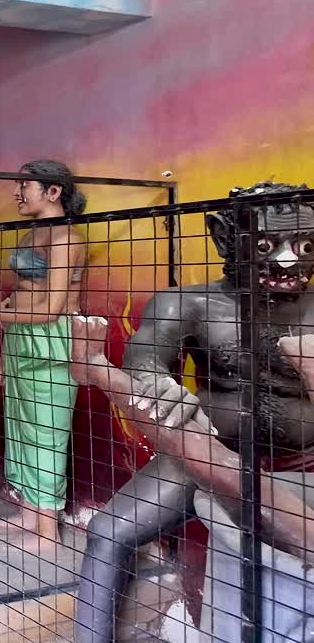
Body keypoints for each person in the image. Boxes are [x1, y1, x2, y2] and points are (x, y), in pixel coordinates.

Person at [72, 181, 314, 643]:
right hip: (202, 454)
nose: (288, 261)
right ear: (224, 237)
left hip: (304, 460)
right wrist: (160, 385)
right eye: (266, 245)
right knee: (109, 531)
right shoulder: (187, 302)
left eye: (303, 245)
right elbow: (143, 358)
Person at [0, 160, 88, 553]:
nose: (17, 193)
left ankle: (48, 530)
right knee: (20, 426)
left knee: (47, 431)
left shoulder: (65, 238)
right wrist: (3, 350)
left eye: (24, 185)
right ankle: (29, 512)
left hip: (50, 341)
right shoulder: (32, 234)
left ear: (53, 191)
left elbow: (53, 307)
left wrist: (2, 314)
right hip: (19, 339)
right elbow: (25, 293)